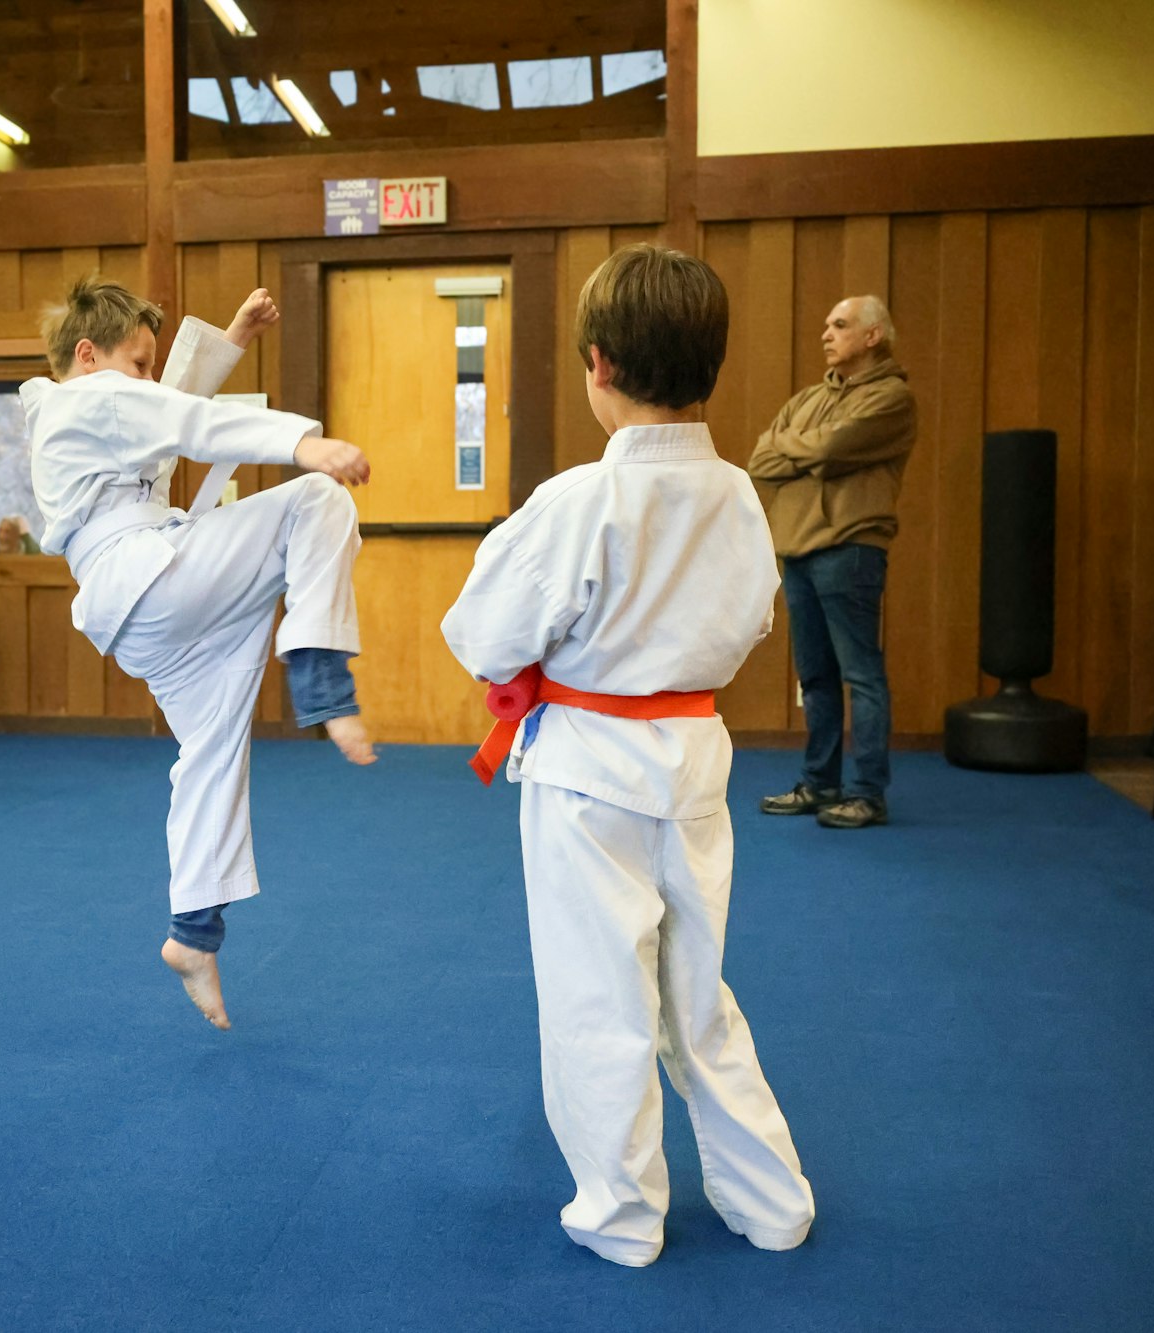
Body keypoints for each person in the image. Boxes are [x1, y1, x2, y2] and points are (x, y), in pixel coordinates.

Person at [442, 243, 814, 1268]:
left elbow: (481, 633)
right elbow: (745, 627)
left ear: (594, 364)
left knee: (595, 998)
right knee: (697, 994)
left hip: (584, 775)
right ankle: (770, 1200)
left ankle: (621, 1214)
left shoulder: (575, 501)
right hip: (691, 754)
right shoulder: (739, 495)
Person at [26, 275, 374, 1030]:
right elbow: (177, 415)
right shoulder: (89, 399)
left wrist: (235, 340)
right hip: (153, 574)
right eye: (138, 360)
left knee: (213, 749)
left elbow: (161, 403)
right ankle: (318, 672)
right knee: (315, 501)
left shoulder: (80, 405)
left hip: (140, 607)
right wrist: (302, 444)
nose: (148, 375)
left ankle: (194, 933)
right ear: (88, 355)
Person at [746, 296, 917, 829]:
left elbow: (832, 447)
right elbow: (760, 459)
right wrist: (812, 450)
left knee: (861, 675)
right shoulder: (808, 399)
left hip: (851, 549)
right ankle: (820, 784)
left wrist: (804, 449)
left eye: (840, 325)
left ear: (873, 337)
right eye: (825, 325)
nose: (826, 333)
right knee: (815, 676)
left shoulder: (893, 400)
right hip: (798, 550)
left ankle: (867, 793)